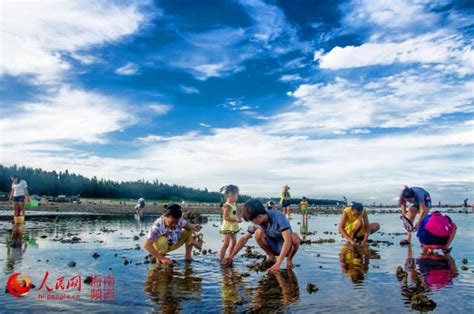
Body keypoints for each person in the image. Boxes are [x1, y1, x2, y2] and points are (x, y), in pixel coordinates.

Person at [223, 199, 300, 272]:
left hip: (285, 247)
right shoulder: (256, 223)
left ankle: (289, 259)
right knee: (258, 233)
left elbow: (287, 240)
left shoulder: (279, 216)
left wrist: (278, 263)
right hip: (272, 245)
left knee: (294, 237)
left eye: (252, 220)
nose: (252, 223)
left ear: (259, 216)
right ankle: (271, 257)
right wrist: (231, 256)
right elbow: (244, 238)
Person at [219, 185, 241, 263]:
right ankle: (221, 259)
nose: (237, 197)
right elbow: (225, 217)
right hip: (227, 226)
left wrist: (239, 217)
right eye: (236, 195)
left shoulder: (234, 204)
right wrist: (236, 219)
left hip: (233, 226)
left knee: (234, 242)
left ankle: (229, 257)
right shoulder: (227, 205)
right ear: (230, 195)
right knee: (226, 243)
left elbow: (235, 214)